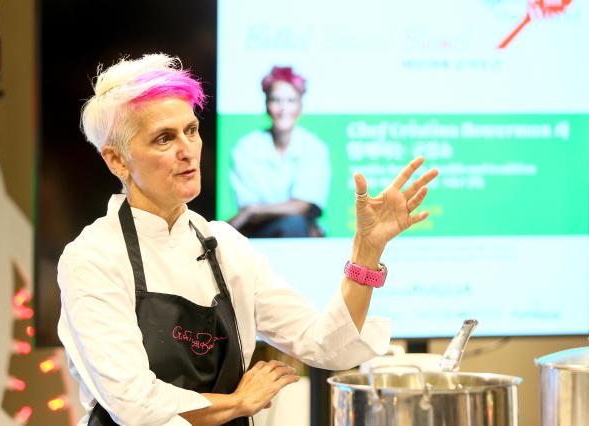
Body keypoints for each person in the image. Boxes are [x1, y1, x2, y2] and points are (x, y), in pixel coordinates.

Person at [57, 53, 438, 426]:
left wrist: (367, 251)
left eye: (191, 130)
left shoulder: (226, 245)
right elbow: (135, 406)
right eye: (163, 139)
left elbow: (325, 344)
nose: (187, 150)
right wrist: (238, 402)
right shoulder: (93, 257)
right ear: (117, 160)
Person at [228, 66, 330, 238]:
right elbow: (247, 210)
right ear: (266, 104)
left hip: (298, 230)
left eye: (291, 100)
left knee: (295, 224)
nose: (283, 108)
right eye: (276, 100)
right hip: (257, 233)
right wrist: (253, 212)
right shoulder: (246, 147)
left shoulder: (314, 147)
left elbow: (304, 205)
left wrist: (255, 210)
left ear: (300, 105)